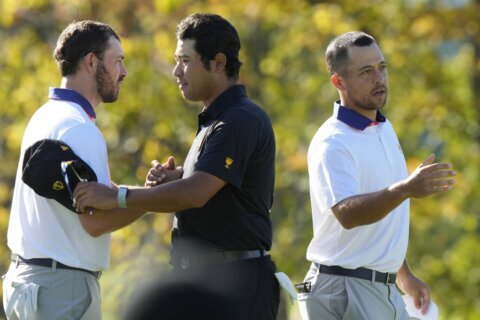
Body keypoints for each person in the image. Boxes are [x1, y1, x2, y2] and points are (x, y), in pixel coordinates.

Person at [74, 13, 279, 320]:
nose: (176, 71)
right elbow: (210, 188)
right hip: (211, 282)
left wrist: (116, 196)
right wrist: (178, 178)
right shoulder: (218, 120)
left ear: (219, 63)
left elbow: (195, 194)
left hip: (238, 285)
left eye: (185, 60)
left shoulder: (239, 119)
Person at [297, 31, 456, 319]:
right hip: (343, 288)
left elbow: (382, 214)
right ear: (338, 82)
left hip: (379, 287)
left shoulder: (383, 128)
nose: (379, 78)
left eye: (382, 67)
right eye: (366, 72)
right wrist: (405, 189)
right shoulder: (332, 142)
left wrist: (402, 272)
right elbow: (348, 213)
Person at [2, 20, 149, 320]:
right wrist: (154, 199)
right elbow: (94, 222)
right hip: (62, 289)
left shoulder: (45, 116)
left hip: (25, 284)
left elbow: (89, 193)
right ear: (91, 62)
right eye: (117, 61)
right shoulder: (79, 127)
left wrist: (138, 190)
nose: (124, 72)